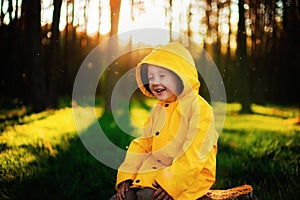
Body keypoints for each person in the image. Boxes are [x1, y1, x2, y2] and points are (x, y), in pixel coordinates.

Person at [110, 42, 219, 200]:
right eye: (151, 77)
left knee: (147, 196)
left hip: (189, 176)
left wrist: (172, 183)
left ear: (180, 76)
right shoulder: (157, 110)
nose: (154, 82)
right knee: (124, 197)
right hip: (156, 171)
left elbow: (195, 154)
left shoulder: (200, 109)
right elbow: (143, 144)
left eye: (162, 76)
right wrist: (127, 175)